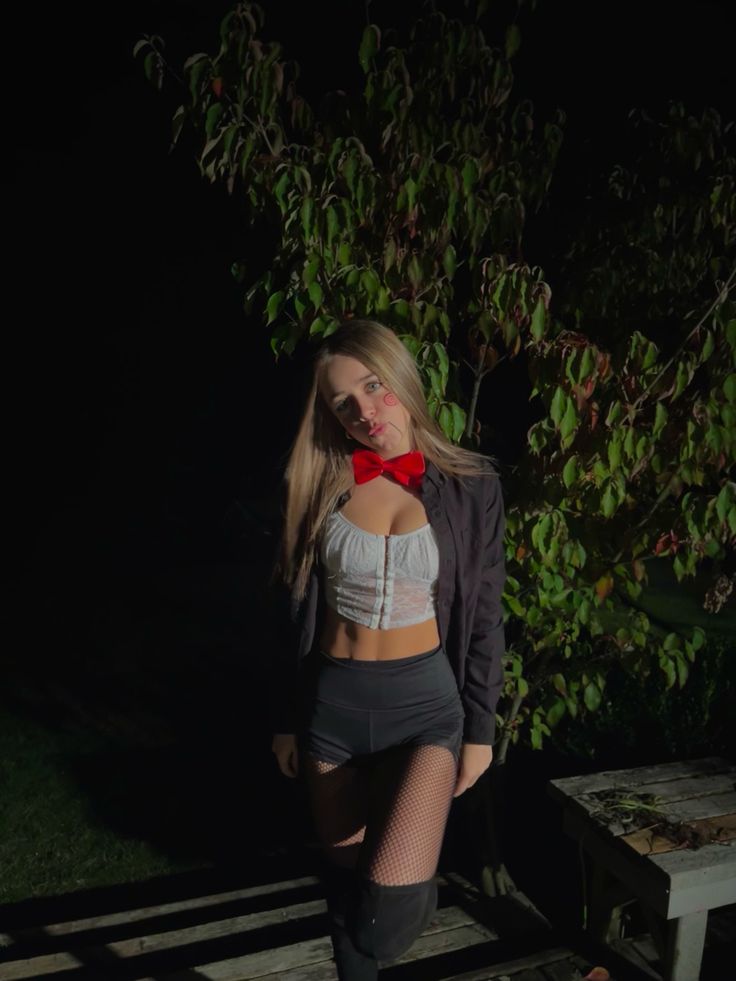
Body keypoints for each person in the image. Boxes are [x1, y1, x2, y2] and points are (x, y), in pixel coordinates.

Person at [269, 319, 506, 979]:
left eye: (374, 385)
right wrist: (286, 716)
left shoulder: (473, 484)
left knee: (385, 914)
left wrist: (480, 730)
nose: (365, 410)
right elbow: (286, 611)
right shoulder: (314, 482)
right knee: (342, 884)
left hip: (425, 710)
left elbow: (485, 616)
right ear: (330, 413)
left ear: (400, 376)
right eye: (344, 401)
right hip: (331, 710)